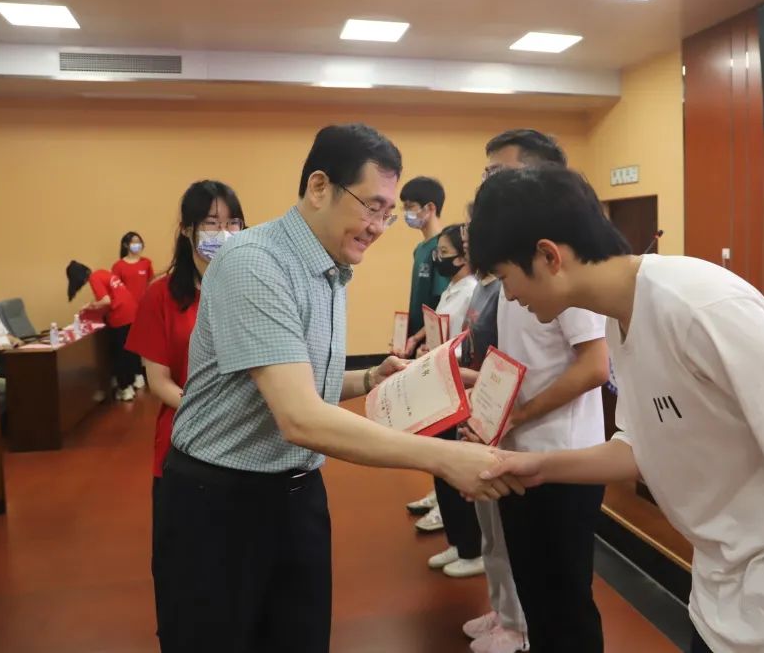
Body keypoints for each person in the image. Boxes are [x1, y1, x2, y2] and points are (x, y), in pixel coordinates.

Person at [472, 165, 764, 653]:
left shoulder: (699, 304)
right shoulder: (621, 319)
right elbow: (643, 447)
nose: (509, 295)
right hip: (723, 599)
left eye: (506, 277)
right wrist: (536, 466)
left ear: (548, 256)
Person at [153, 123, 520, 653]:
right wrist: (445, 458)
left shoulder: (330, 269)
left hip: (296, 493)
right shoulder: (255, 263)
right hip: (221, 503)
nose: (379, 226)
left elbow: (297, 381)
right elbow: (300, 417)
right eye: (372, 207)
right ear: (319, 186)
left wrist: (371, 378)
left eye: (388, 213)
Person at [466, 129, 608, 653]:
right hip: (522, 452)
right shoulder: (516, 259)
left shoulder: (562, 265)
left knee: (565, 600)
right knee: (535, 591)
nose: (486, 185)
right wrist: (481, 391)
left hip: (563, 459)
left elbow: (594, 366)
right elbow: (522, 362)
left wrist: (519, 414)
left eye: (496, 173)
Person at [125, 179, 245, 630]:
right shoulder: (161, 295)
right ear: (188, 230)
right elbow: (159, 381)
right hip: (184, 445)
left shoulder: (249, 287)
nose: (223, 232)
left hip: (245, 447)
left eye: (233, 222)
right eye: (211, 223)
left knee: (237, 565)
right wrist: (210, 411)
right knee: (186, 569)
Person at [424, 224, 484, 578]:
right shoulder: (452, 288)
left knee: (454, 470)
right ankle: (458, 541)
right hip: (445, 380)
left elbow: (465, 343)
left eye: (445, 252)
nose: (440, 259)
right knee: (442, 469)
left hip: (459, 383)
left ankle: (470, 547)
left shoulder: (474, 290)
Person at [395, 175, 452, 530]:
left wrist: (420, 339)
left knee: (442, 427)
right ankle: (438, 492)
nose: (406, 214)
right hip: (417, 345)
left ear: (430, 208)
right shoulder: (420, 249)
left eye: (410, 208)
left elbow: (441, 306)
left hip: (435, 348)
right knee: (429, 425)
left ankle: (448, 504)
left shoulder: (441, 249)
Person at [66, 260, 140, 401]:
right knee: (127, 352)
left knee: (118, 354)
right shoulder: (102, 272)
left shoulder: (94, 278)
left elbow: (106, 301)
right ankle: (130, 384)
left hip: (120, 316)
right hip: (132, 312)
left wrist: (90, 306)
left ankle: (124, 389)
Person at [113, 231, 154, 390]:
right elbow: (116, 289)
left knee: (142, 344)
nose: (137, 245)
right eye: (133, 242)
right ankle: (131, 375)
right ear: (126, 245)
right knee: (127, 344)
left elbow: (150, 284)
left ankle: (140, 374)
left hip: (143, 311)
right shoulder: (118, 266)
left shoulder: (146, 263)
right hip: (126, 313)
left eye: (139, 241)